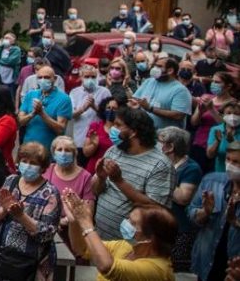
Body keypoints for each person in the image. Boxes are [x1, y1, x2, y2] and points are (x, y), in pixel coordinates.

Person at [92, 106, 175, 240]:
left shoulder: (160, 165)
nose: (113, 129)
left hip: (134, 246)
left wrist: (119, 181)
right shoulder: (113, 151)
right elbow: (96, 191)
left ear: (134, 132)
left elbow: (155, 207)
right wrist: (101, 179)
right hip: (102, 238)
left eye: (118, 125)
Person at [0, 142, 62, 281]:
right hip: (3, 259)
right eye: (24, 161)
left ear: (43, 167)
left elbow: (47, 233)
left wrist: (21, 216)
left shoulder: (51, 193)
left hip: (31, 264)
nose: (28, 166)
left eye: (33, 163)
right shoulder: (10, 181)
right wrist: (4, 208)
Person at [63, 190, 177, 281]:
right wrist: (74, 222)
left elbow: (107, 267)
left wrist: (85, 222)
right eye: (128, 218)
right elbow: (82, 248)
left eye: (132, 223)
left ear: (150, 239)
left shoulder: (157, 270)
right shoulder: (127, 246)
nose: (126, 223)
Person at [190, 141, 240, 280]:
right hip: (208, 262)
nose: (230, 166)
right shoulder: (211, 181)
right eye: (228, 160)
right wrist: (205, 212)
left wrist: (235, 222)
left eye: (236, 162)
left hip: (234, 267)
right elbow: (192, 214)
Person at [157, 126, 202, 272]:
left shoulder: (191, 168)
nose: (157, 145)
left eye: (160, 142)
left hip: (180, 229)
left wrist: (162, 176)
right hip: (161, 225)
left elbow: (183, 197)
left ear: (170, 147)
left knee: (174, 270)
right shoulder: (161, 163)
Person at [44, 135, 94, 252]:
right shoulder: (47, 170)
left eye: (68, 150)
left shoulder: (85, 176)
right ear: (54, 153)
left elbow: (88, 211)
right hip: (46, 227)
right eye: (59, 150)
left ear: (74, 154)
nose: (63, 153)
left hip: (74, 232)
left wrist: (65, 220)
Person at [18, 65, 71, 149]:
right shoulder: (30, 95)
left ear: (55, 79)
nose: (43, 80)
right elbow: (20, 121)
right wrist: (32, 114)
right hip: (28, 146)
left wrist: (42, 113)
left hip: (49, 149)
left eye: (47, 77)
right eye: (40, 78)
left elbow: (60, 129)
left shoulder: (64, 99)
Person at [132, 56, 191, 129]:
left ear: (170, 70)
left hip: (165, 137)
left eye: (159, 66)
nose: (154, 69)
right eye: (155, 66)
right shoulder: (149, 81)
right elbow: (136, 99)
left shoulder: (180, 90)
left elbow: (178, 115)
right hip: (145, 133)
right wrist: (135, 104)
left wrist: (150, 108)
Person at [70, 64, 112, 156]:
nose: (90, 79)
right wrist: (83, 108)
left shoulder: (104, 92)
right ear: (81, 77)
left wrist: (94, 106)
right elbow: (71, 115)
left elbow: (109, 115)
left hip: (98, 139)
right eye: (87, 76)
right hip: (80, 138)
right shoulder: (74, 92)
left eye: (93, 77)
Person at [83, 97, 120, 174]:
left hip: (112, 172)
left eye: (114, 108)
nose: (110, 111)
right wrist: (94, 145)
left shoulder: (122, 130)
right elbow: (86, 153)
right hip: (93, 171)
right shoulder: (95, 126)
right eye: (108, 108)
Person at [208, 100, 240, 172]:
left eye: (236, 114)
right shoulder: (216, 130)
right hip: (220, 172)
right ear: (223, 115)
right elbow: (210, 155)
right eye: (228, 113)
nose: (232, 116)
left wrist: (232, 142)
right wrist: (217, 141)